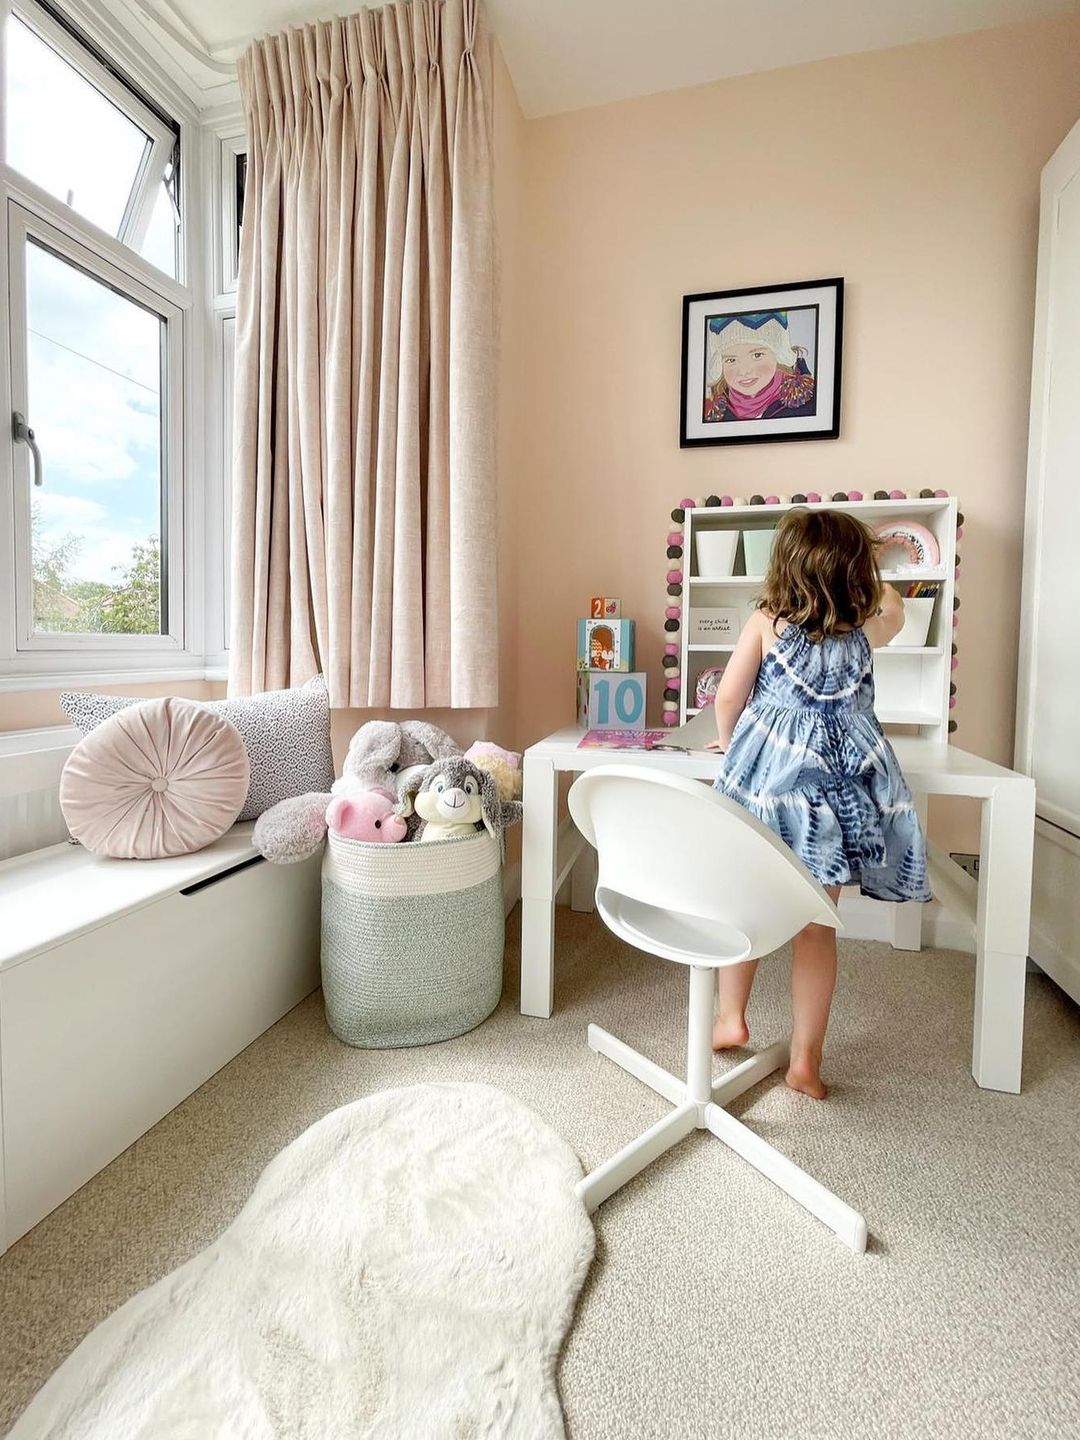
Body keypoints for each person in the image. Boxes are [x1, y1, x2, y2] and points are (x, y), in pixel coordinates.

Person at [707, 508, 930, 1098]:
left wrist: (735, 752)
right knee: (816, 928)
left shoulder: (765, 621)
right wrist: (862, 574)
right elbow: (895, 605)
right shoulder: (869, 623)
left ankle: (731, 1019)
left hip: (769, 790)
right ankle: (805, 1061)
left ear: (783, 566)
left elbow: (728, 697)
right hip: (833, 799)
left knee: (745, 909)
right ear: (856, 570)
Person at [703, 310, 815, 423]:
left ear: (779, 355)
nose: (744, 371)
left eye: (757, 355)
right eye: (731, 360)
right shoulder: (715, 414)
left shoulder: (809, 405)